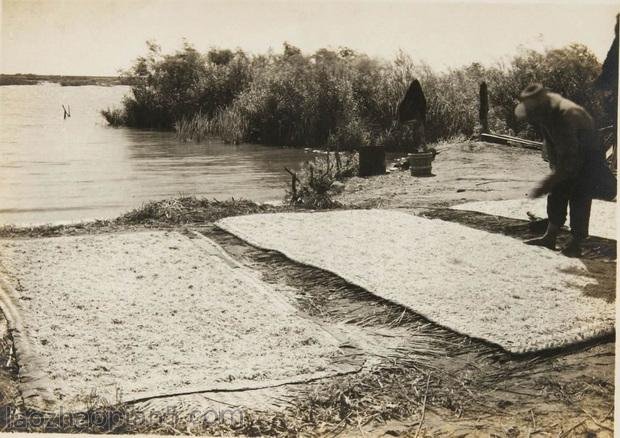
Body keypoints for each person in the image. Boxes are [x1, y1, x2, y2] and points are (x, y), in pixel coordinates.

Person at [515, 83, 616, 257]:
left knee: (579, 195)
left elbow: (571, 153)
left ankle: (576, 243)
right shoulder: (547, 114)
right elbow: (552, 144)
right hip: (570, 154)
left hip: (587, 157)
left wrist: (547, 182)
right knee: (557, 191)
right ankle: (550, 237)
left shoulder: (564, 116)